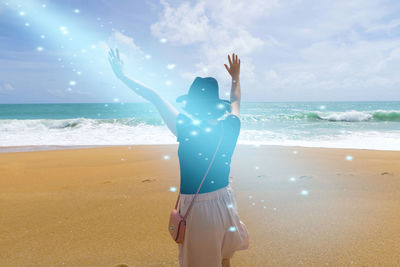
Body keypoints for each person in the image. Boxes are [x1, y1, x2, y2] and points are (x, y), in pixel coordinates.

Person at [108, 50, 249, 267]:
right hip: (226, 200)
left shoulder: (184, 127)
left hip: (199, 210)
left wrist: (122, 76)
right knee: (223, 256)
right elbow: (235, 99)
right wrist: (235, 78)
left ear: (192, 104)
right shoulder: (231, 125)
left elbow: (154, 96)